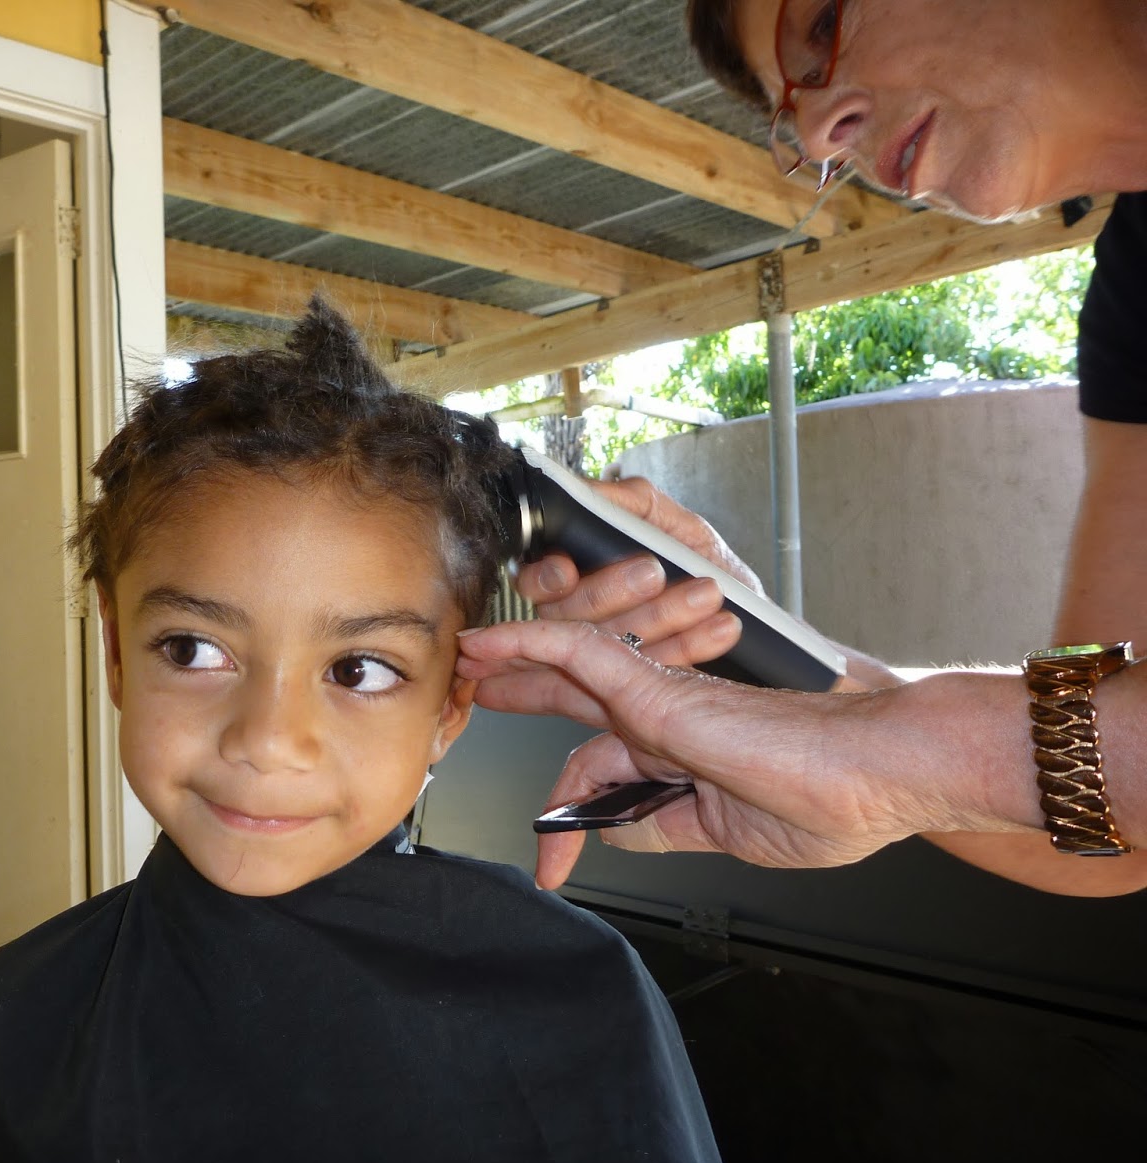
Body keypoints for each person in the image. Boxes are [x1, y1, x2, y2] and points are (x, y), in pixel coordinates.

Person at [0, 300, 730, 1163]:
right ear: (119, 658)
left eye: (357, 670)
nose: (265, 741)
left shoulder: (569, 999)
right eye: (194, 649)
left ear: (449, 706)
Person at [456, 0, 1147, 899]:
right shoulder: (1133, 305)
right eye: (792, 115)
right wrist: (769, 659)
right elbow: (1096, 817)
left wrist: (902, 748)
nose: (823, 133)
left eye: (822, 21)